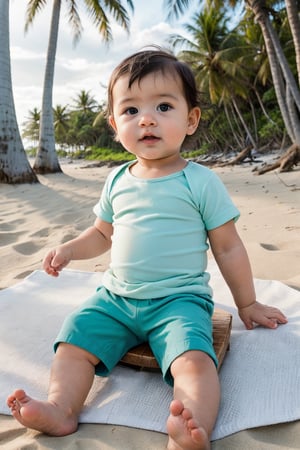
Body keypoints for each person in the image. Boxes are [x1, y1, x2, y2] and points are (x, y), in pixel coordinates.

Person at [7, 48, 287, 450]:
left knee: (194, 361)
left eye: (163, 106)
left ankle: (192, 427)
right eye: (131, 110)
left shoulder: (200, 182)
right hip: (115, 299)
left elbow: (228, 249)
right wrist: (70, 249)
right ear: (114, 125)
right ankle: (62, 407)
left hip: (178, 301)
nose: (147, 119)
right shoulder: (117, 180)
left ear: (191, 120)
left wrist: (247, 304)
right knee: (72, 342)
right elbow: (101, 235)